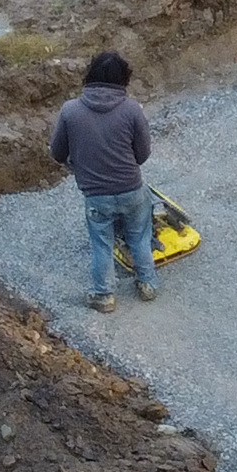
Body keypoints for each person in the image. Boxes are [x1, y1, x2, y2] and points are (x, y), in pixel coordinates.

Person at [50, 49, 156, 311]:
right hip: (132, 189)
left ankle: (104, 295)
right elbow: (143, 153)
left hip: (96, 195)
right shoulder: (132, 109)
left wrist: (78, 162)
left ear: (90, 75)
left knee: (101, 244)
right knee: (139, 237)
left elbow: (57, 153)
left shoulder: (70, 110)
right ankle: (148, 284)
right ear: (123, 78)